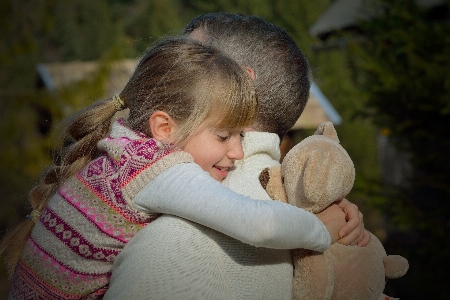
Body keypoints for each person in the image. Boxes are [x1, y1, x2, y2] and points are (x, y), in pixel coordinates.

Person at [2, 37, 345, 299]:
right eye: (224, 135)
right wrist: (321, 230)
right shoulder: (155, 170)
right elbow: (260, 223)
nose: (238, 151)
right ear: (164, 128)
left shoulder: (122, 149)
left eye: (240, 135)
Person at [105, 13, 369, 300]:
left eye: (191, 58)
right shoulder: (317, 214)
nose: (167, 72)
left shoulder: (170, 244)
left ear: (241, 83)